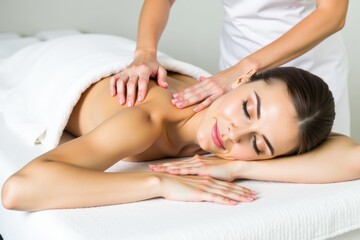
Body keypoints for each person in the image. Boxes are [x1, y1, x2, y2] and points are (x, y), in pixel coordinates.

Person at [3, 65, 351, 212]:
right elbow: (19, 190)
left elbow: (354, 157)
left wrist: (239, 168)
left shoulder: (243, 141)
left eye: (259, 144)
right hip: (63, 62)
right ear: (240, 78)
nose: (234, 134)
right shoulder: (146, 122)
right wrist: (158, 182)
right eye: (247, 108)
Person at [110, 0, 350, 135]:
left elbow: (332, 14)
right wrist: (145, 52)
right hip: (235, 64)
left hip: (308, 70)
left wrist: (242, 70)